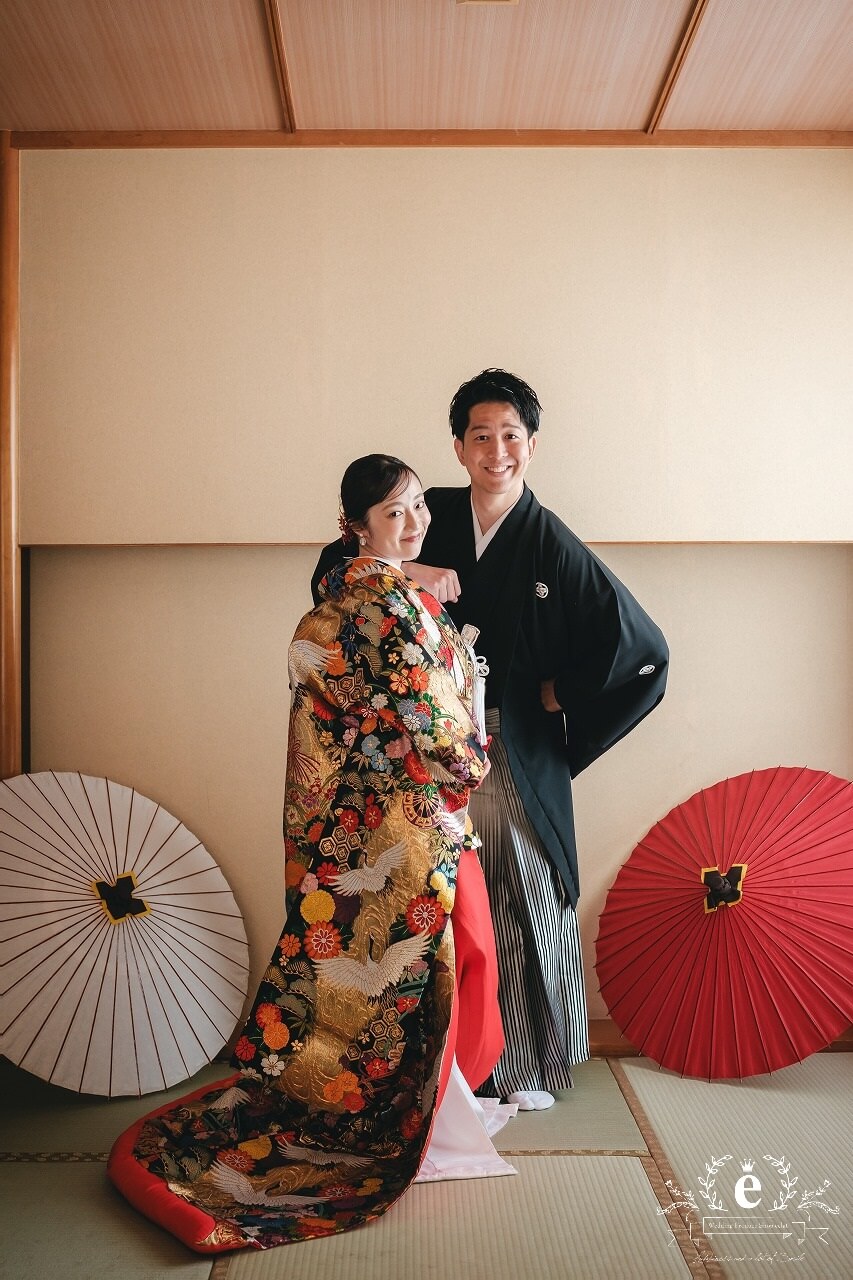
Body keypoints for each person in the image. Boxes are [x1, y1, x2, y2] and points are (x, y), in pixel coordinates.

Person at [108, 454, 510, 1254]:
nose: (416, 521)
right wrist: (471, 758)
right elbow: (441, 732)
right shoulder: (395, 608)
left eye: (419, 505)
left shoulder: (323, 610)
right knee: (420, 975)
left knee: (351, 981)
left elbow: (311, 744)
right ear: (355, 526)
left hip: (346, 825)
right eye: (396, 513)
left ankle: (358, 1103)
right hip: (409, 822)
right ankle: (411, 1125)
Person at [313, 372, 669, 1112]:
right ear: (458, 446)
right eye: (480, 435)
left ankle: (530, 1064)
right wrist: (409, 571)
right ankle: (452, 1066)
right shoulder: (428, 512)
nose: (495, 451)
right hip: (425, 751)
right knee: (439, 905)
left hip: (505, 743)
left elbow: (640, 645)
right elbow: (336, 572)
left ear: (531, 446)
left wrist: (562, 694)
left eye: (510, 435)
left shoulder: (550, 542)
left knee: (522, 896)